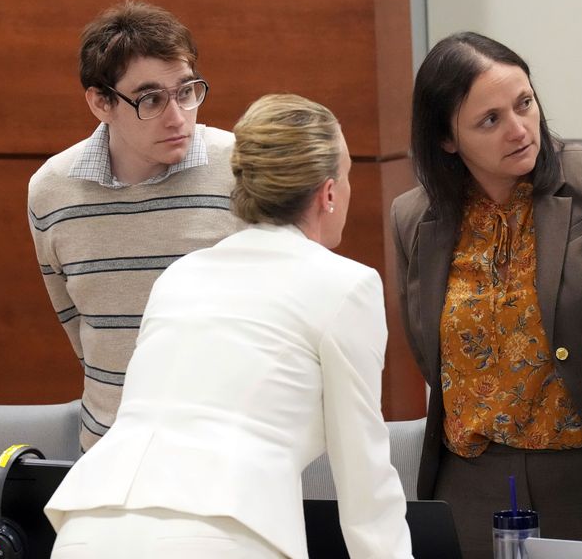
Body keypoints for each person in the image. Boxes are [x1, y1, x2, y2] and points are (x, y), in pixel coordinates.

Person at [44, 94, 413, 559]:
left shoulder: (181, 274)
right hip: (219, 536)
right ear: (329, 193)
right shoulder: (346, 284)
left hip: (89, 530)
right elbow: (365, 480)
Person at [391, 32, 582, 558]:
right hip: (473, 487)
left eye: (524, 104)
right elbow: (429, 353)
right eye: (489, 120)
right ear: (447, 139)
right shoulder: (413, 218)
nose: (518, 130)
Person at [28, 0, 244, 451]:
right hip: (109, 450)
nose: (177, 115)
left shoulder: (242, 170)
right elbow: (78, 323)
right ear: (101, 102)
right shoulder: (52, 190)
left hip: (227, 450)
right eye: (150, 99)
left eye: (186, 92)